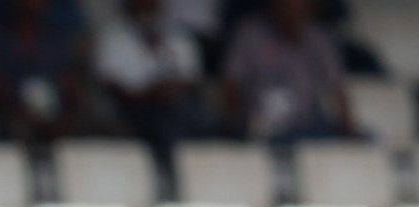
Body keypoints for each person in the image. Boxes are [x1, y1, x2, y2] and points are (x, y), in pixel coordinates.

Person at [222, 0, 353, 142]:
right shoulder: (249, 33)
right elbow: (231, 82)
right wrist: (232, 128)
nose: (291, 11)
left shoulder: (318, 37)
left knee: (366, 139)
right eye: (286, 5)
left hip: (307, 126)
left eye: (298, 6)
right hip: (260, 125)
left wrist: (350, 131)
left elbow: (336, 86)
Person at [95, 0, 214, 156]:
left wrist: (170, 90)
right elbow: (110, 85)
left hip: (177, 107)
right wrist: (151, 94)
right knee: (166, 126)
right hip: (135, 109)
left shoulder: (177, 34)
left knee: (203, 119)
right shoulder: (113, 36)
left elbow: (191, 78)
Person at [0, 0, 93, 144]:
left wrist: (60, 116)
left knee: (85, 125)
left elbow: (70, 80)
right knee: (18, 129)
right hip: (17, 112)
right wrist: (25, 112)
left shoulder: (56, 39)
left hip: (56, 110)